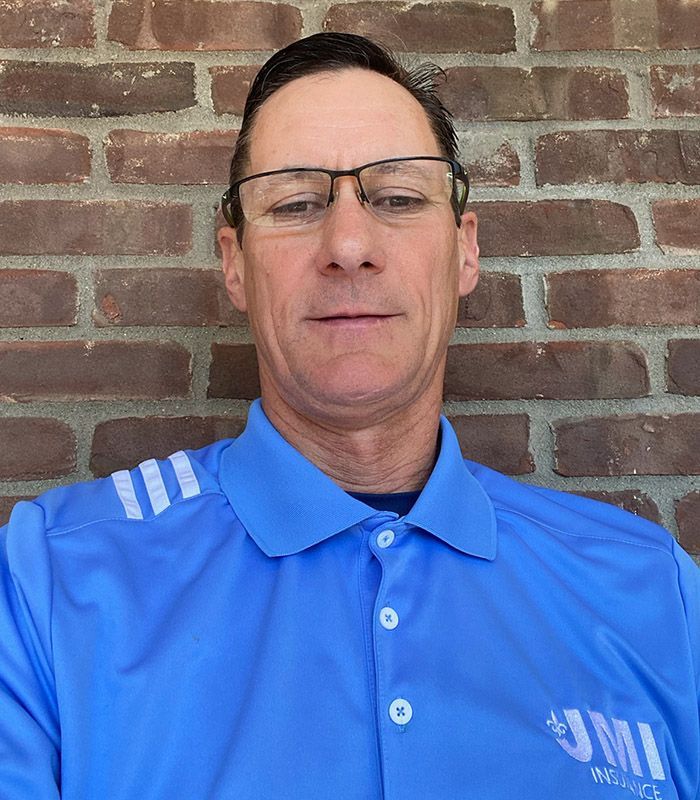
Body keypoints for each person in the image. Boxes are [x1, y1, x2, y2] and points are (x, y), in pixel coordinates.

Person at [0, 32, 698, 800]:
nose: (350, 244)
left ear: (465, 252)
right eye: (297, 203)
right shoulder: (50, 586)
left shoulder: (649, 591)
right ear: (234, 263)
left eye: (398, 198)